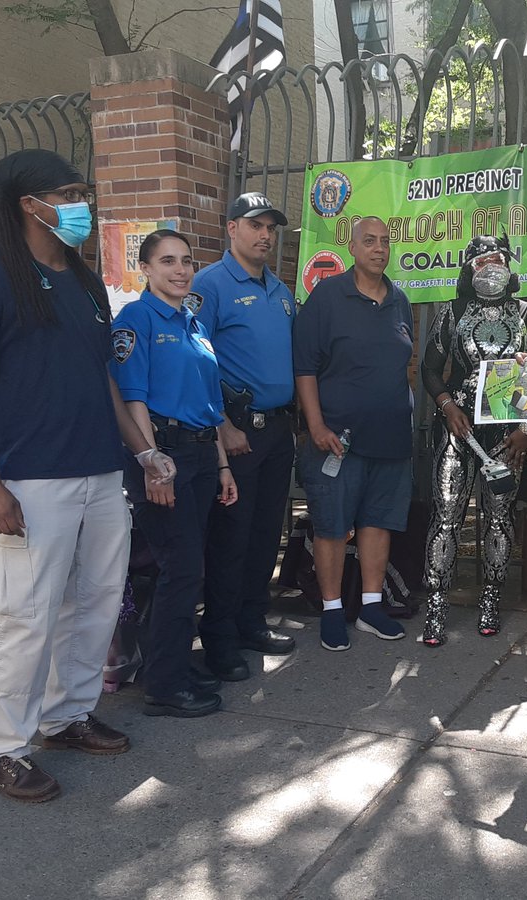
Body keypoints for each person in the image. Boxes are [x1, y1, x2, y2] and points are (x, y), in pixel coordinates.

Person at [0, 149, 176, 803]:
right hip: (29, 481)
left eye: (82, 191)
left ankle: (65, 716)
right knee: (25, 617)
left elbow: (101, 377)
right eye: (68, 192)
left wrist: (144, 450)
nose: (81, 204)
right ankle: (2, 749)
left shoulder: (84, 281)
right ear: (28, 205)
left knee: (95, 604)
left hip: (100, 472)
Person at [110, 230, 238, 718]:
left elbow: (211, 406)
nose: (180, 270)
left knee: (189, 567)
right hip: (163, 455)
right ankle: (164, 684)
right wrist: (150, 462)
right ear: (145, 268)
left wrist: (223, 466)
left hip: (203, 455)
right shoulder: (136, 319)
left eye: (186, 261)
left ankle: (176, 663)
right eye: (167, 261)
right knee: (178, 570)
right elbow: (132, 397)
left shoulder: (192, 322)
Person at [420, 234, 527, 646]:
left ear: (510, 266)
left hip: (507, 433)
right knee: (446, 517)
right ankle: (437, 605)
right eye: (481, 261)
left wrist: (526, 430)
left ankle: (491, 599)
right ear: (468, 269)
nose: (490, 267)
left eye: (497, 259)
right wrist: (446, 405)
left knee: (498, 518)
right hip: (459, 430)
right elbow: (428, 369)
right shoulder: (452, 312)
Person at [293, 216, 412, 651]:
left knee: (378, 522)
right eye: (370, 241)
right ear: (352, 247)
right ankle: (330, 611)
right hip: (337, 440)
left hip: (391, 438)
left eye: (385, 242)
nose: (379, 249)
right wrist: (316, 425)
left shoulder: (399, 300)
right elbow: (304, 367)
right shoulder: (326, 297)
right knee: (332, 525)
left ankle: (371, 607)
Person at [192, 192, 297, 683]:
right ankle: (219, 639)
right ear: (231, 228)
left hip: (277, 429)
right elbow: (194, 364)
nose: (265, 235)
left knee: (265, 535)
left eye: (270, 228)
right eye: (255, 225)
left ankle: (252, 623)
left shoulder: (280, 290)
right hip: (238, 432)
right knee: (231, 539)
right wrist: (222, 427)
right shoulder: (210, 285)